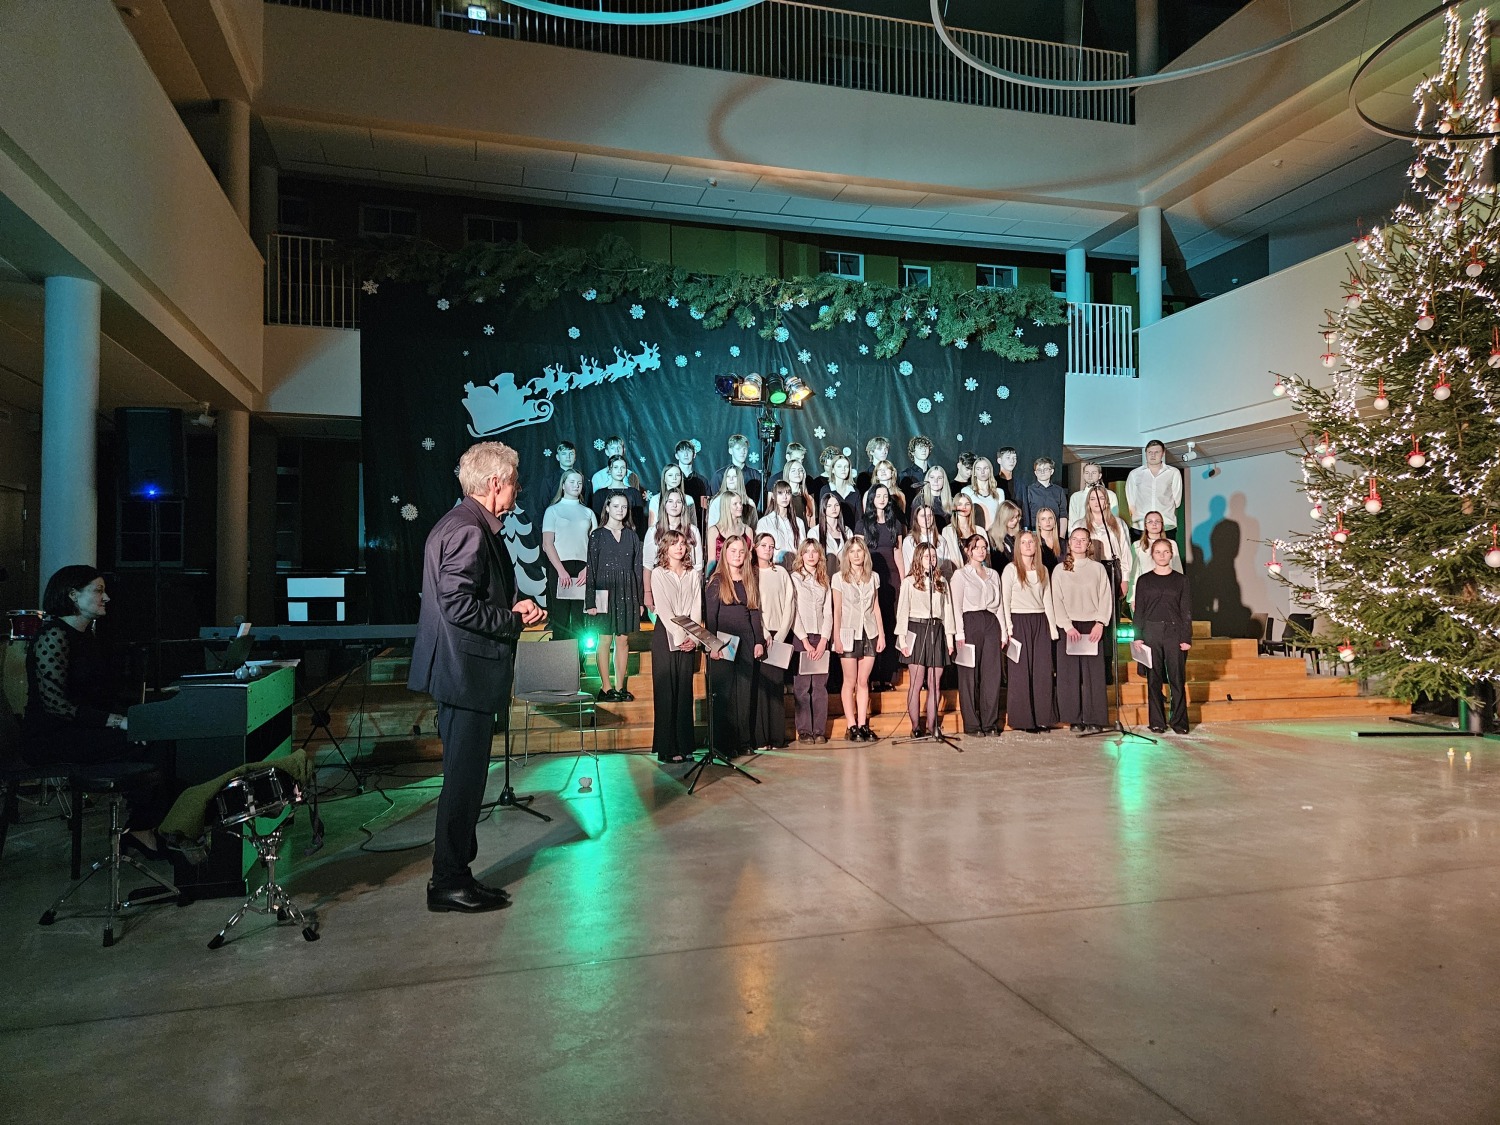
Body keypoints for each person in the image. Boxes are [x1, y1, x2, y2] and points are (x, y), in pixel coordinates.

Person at [410, 441, 545, 913]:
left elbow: (466, 596)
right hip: (465, 674)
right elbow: (457, 603)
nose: (517, 491)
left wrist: (510, 606)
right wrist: (512, 619)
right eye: (514, 483)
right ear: (495, 484)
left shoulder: (461, 522)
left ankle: (457, 874)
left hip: (461, 672)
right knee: (463, 783)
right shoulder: (468, 529)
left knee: (464, 780)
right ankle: (447, 881)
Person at [22, 565, 171, 860]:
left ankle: (151, 824)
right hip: (50, 737)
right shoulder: (54, 635)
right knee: (153, 745)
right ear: (73, 595)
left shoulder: (87, 636)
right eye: (99, 590)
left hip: (81, 729)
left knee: (159, 736)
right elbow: (56, 705)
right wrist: (117, 722)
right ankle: (143, 829)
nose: (107, 597)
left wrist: (137, 717)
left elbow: (99, 697)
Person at [705, 536, 764, 758]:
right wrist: (713, 645)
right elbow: (711, 617)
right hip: (724, 643)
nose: (737, 555)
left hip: (746, 641)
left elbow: (754, 612)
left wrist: (758, 641)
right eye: (733, 551)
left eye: (741, 551)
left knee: (744, 693)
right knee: (726, 695)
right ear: (725, 553)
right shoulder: (717, 581)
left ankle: (744, 741)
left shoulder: (749, 580)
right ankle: (724, 744)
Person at [647, 530, 701, 763]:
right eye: (674, 543)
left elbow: (697, 607)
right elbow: (664, 609)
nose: (679, 547)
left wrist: (694, 638)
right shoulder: (658, 573)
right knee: (666, 692)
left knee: (684, 691)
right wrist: (680, 637)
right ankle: (667, 748)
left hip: (689, 633)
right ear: (665, 547)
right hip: (666, 634)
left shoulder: (692, 574)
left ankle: (685, 745)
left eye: (682, 543)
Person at [585, 493, 645, 703]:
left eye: (624, 507)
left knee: (623, 640)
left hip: (627, 592)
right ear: (608, 508)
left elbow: (638, 570)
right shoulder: (597, 535)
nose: (620, 510)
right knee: (604, 639)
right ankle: (606, 687)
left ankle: (619, 687)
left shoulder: (632, 536)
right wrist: (590, 601)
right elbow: (591, 568)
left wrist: (639, 600)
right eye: (616, 506)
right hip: (603, 592)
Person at [1052, 527, 1112, 734]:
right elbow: (1056, 599)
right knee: (1069, 675)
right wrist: (1067, 626)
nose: (1078, 543)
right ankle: (1074, 718)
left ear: (1089, 544)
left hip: (1092, 626)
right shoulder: (1060, 570)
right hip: (1069, 627)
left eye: (1083, 539)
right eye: (1075, 539)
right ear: (1069, 543)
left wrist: (1100, 622)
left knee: (1093, 675)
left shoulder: (1098, 569)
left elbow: (1105, 596)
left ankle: (1094, 717)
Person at [1000, 531, 1059, 733]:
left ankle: (1043, 717)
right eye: (1023, 542)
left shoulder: (1043, 570)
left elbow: (1047, 600)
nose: (1027, 545)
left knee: (1042, 671)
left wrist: (1052, 628)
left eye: (1031, 542)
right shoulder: (1010, 570)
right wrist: (1008, 628)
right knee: (1020, 672)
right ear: (1018, 546)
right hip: (1019, 621)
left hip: (1040, 621)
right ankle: (1023, 720)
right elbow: (1005, 601)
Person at [1134, 537, 1194, 734]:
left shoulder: (1181, 580)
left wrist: (1186, 637)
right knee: (1154, 678)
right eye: (1158, 552)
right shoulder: (1144, 580)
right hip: (1151, 632)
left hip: (1174, 632)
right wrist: (1138, 635)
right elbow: (1140, 610)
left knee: (1177, 678)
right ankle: (1157, 721)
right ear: (1152, 555)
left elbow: (1186, 610)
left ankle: (1179, 722)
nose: (1162, 555)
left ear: (1171, 554)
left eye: (1165, 552)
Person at [896, 542, 955, 737]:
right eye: (927, 556)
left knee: (935, 682)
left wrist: (949, 639)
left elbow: (947, 611)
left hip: (936, 630)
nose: (931, 560)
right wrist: (902, 640)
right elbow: (902, 611)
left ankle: (932, 725)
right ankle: (915, 726)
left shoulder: (941, 581)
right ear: (919, 558)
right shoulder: (909, 582)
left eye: (934, 556)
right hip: (916, 628)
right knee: (916, 682)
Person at [950, 534, 1005, 736]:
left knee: (991, 675)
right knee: (969, 676)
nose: (981, 551)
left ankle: (989, 723)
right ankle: (972, 724)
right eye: (976, 547)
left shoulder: (993, 574)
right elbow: (956, 607)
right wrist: (959, 633)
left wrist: (1004, 631)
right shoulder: (960, 575)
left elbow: (999, 605)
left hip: (991, 623)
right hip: (970, 623)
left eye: (984, 547)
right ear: (968, 550)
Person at [832, 535, 884, 741]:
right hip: (848, 632)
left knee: (863, 681)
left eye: (859, 551)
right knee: (850, 680)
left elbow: (876, 607)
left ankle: (863, 724)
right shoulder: (839, 578)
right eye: (852, 551)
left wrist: (881, 634)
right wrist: (836, 637)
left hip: (869, 631)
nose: (856, 555)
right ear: (847, 555)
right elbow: (837, 610)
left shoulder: (873, 577)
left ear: (865, 553)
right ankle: (851, 725)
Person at [856, 484, 904, 691]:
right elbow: (858, 552)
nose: (882, 499)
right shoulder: (863, 524)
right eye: (878, 496)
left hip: (892, 579)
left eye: (885, 496)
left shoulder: (896, 524)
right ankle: (873, 676)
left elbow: (898, 554)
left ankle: (888, 676)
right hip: (870, 577)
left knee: (891, 624)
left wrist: (904, 581)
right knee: (873, 625)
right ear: (872, 499)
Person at [541, 469, 596, 642]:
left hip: (583, 568)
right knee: (560, 617)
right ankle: (560, 657)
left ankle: (579, 658)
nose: (576, 485)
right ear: (563, 485)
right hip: (560, 566)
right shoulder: (552, 511)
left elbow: (595, 546)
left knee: (580, 619)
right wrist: (561, 571)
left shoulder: (588, 512)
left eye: (579, 483)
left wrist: (588, 569)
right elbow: (547, 544)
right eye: (572, 482)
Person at [787, 538, 833, 744]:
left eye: (815, 551)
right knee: (802, 687)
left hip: (820, 637)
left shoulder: (824, 579)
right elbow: (793, 611)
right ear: (801, 555)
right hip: (802, 637)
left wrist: (824, 640)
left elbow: (828, 612)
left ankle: (819, 731)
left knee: (820, 687)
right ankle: (805, 730)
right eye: (807, 552)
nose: (811, 555)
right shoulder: (795, 578)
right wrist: (804, 641)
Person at [752, 532, 795, 750]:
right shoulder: (751, 573)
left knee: (776, 686)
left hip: (779, 634)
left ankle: (777, 737)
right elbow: (753, 605)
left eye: (771, 546)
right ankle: (761, 738)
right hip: (761, 634)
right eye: (764, 545)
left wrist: (780, 635)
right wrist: (764, 632)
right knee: (761, 688)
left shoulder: (782, 573)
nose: (768, 549)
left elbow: (790, 603)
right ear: (755, 548)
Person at [642, 488, 704, 618]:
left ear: (683, 506)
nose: (674, 505)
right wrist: (648, 593)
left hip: (686, 588)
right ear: (664, 505)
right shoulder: (654, 531)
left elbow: (698, 567)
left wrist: (696, 593)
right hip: (662, 588)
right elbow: (648, 565)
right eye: (670, 501)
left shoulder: (693, 531)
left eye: (678, 502)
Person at [1125, 439, 1183, 540]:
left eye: (1156, 452)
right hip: (1140, 526)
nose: (1153, 455)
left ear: (1163, 454)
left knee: (1166, 550)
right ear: (1146, 453)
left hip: (1166, 525)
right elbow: (1131, 502)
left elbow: (1177, 501)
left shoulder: (1173, 473)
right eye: (1150, 452)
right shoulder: (1135, 474)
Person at [1128, 509, 1183, 611]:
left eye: (1157, 521)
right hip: (1145, 593)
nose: (1154, 524)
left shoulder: (1172, 544)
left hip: (1168, 592)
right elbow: (1133, 574)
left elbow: (1177, 569)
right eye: (1150, 521)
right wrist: (1133, 598)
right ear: (1145, 525)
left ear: (1162, 524)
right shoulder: (1137, 546)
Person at [592, 455, 647, 536]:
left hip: (629, 536)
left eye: (623, 467)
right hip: (605, 537)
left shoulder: (634, 493)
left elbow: (640, 521)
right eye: (616, 467)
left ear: (626, 470)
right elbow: (597, 520)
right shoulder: (600, 494)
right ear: (609, 470)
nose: (619, 471)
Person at [902, 500, 958, 579]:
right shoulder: (909, 541)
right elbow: (907, 568)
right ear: (916, 518)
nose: (927, 518)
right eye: (923, 516)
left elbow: (947, 568)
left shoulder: (941, 540)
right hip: (917, 581)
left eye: (930, 515)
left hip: (938, 581)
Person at [756, 480, 807, 564]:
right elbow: (761, 550)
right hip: (774, 567)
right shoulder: (765, 522)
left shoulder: (799, 522)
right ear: (773, 496)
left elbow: (803, 549)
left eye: (788, 493)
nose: (785, 497)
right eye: (780, 493)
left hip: (795, 567)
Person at [710, 433, 763, 508]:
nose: (742, 452)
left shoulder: (755, 475)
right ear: (730, 451)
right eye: (738, 448)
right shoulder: (720, 475)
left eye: (745, 448)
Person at [706, 490, 753, 574]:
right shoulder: (714, 531)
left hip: (742, 575)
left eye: (740, 503)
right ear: (726, 507)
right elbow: (711, 561)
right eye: (735, 504)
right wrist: (708, 578)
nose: (740, 506)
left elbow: (750, 558)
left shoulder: (748, 530)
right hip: (721, 575)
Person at [1022, 456, 1067, 533]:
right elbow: (1025, 515)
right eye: (1039, 470)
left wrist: (1061, 536)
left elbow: (1063, 515)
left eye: (1045, 469)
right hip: (1034, 533)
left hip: (1054, 533)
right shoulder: (1028, 490)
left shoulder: (1059, 491)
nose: (1042, 472)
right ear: (1035, 473)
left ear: (1052, 471)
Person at [1068, 461, 1117, 531]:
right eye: (1087, 473)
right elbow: (1072, 521)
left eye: (1094, 473)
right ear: (1083, 475)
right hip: (1082, 534)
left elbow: (1114, 518)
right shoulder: (1076, 497)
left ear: (1100, 475)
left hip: (1104, 533)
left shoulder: (1110, 495)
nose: (1090, 475)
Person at [939, 494, 983, 570]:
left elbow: (986, 558)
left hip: (978, 572)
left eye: (967, 504)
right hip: (957, 572)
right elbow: (947, 558)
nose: (964, 507)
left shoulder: (980, 530)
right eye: (960, 504)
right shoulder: (947, 531)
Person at [960, 456, 1004, 528]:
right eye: (978, 469)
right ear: (974, 472)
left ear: (990, 471)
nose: (982, 472)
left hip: (994, 531)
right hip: (975, 531)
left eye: (986, 468)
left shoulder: (999, 492)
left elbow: (1002, 517)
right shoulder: (967, 491)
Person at [819, 453, 860, 529]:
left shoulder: (855, 492)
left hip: (851, 532)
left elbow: (859, 518)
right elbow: (822, 515)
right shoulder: (825, 490)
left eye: (846, 466)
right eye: (839, 466)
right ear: (833, 470)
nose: (843, 469)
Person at [543, 440, 588, 508]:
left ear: (575, 457)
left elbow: (587, 505)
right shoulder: (549, 480)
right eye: (564, 454)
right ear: (557, 457)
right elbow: (543, 505)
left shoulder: (584, 481)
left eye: (571, 454)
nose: (568, 457)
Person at [673, 439, 710, 518]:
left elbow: (705, 507)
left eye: (689, 451)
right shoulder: (672, 479)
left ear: (694, 455)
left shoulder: (702, 480)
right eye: (682, 451)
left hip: (697, 521)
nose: (686, 454)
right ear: (676, 455)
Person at [814, 491, 852, 567]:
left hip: (845, 571)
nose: (834, 508)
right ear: (823, 508)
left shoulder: (847, 531)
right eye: (829, 506)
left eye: (836, 505)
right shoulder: (815, 532)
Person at [987, 500, 1024, 569]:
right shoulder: (990, 536)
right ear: (1004, 517)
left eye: (1017, 517)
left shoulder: (1020, 534)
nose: (1016, 520)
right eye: (1012, 518)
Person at [899, 435, 933, 508]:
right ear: (912, 452)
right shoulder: (905, 474)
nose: (924, 450)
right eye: (920, 448)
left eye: (926, 447)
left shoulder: (934, 473)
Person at [782, 458, 817, 526]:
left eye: (800, 470)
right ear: (787, 473)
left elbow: (812, 524)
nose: (797, 473)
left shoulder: (809, 498)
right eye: (793, 470)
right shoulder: (781, 497)